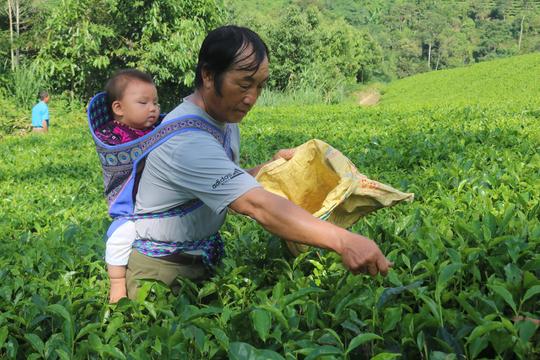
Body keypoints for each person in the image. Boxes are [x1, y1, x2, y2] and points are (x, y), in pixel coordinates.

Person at [124, 25, 392, 299]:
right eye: (243, 84)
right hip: (161, 275)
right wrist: (343, 241)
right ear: (207, 75)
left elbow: (218, 181)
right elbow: (256, 205)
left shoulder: (222, 120)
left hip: (200, 260)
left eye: (260, 86)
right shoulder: (187, 141)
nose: (251, 98)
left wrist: (268, 168)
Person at [94, 69, 160, 302]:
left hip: (153, 202)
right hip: (128, 208)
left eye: (155, 102)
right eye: (143, 102)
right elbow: (117, 154)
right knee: (120, 236)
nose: (152, 108)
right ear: (118, 108)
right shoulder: (112, 133)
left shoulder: (154, 130)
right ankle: (117, 283)